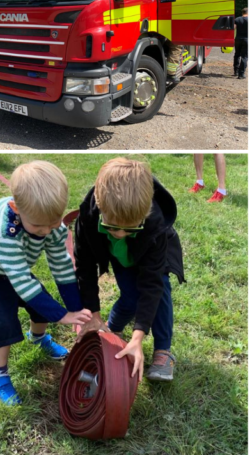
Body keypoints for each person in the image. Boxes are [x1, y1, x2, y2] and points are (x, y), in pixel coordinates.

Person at [0, 161, 92, 405]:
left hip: (11, 265)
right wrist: (61, 315)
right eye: (38, 226)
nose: (46, 231)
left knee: (40, 303)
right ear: (15, 208)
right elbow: (21, 281)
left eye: (53, 223)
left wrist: (73, 309)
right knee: (5, 321)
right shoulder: (4, 233)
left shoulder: (51, 224)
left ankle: (38, 338)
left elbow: (61, 264)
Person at [75, 158, 185, 382]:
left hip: (152, 254)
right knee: (131, 296)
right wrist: (94, 315)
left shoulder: (154, 224)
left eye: (130, 228)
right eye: (112, 227)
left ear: (144, 215)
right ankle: (112, 328)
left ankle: (163, 351)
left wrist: (137, 338)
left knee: (160, 289)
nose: (120, 233)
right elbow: (85, 268)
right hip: (119, 255)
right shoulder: (87, 217)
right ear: (99, 205)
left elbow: (151, 283)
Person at [233, 8, 248, 79]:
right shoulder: (249, 20)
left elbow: (233, 28)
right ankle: (241, 74)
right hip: (246, 39)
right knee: (244, 56)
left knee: (237, 55)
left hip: (238, 39)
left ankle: (236, 71)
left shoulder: (237, 19)